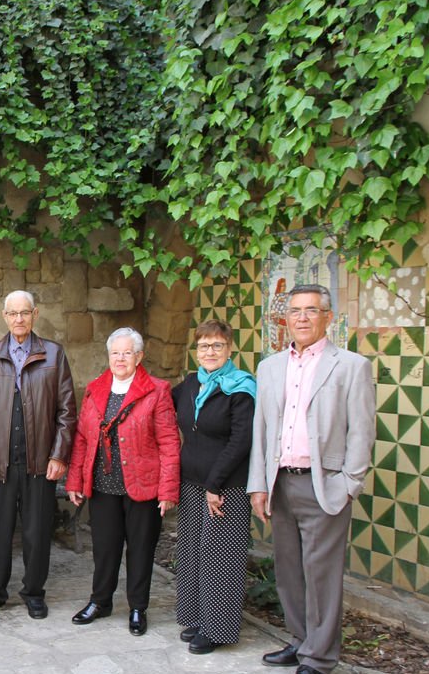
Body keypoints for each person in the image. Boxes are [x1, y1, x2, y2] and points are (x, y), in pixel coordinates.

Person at [247, 284, 374, 674]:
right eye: (295, 311)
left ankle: (319, 658)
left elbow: (362, 432)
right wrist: (258, 485)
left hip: (325, 484)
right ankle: (300, 641)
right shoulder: (270, 367)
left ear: (328, 317)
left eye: (311, 310)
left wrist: (349, 483)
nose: (302, 318)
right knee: (288, 570)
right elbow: (262, 429)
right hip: (281, 482)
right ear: (285, 319)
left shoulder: (351, 366)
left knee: (321, 574)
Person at [66, 328, 179, 636]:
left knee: (141, 550)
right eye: (115, 353)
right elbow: (82, 439)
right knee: (104, 548)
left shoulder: (157, 390)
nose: (120, 358)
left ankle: (138, 607)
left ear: (139, 357)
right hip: (103, 486)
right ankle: (100, 601)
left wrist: (168, 489)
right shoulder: (95, 389)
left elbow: (169, 442)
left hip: (142, 486)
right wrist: (75, 479)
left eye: (127, 353)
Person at [0, 290, 76, 620]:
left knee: (37, 531)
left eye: (25, 313)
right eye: (13, 313)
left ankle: (34, 592)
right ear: (4, 316)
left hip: (39, 462)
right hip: (0, 462)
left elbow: (67, 411)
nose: (19, 319)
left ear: (35, 315)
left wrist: (58, 456)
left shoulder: (54, 354)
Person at [171, 319, 256, 655]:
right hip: (191, 483)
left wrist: (215, 483)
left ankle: (218, 628)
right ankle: (197, 617)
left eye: (217, 345)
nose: (210, 351)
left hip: (225, 488)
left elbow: (240, 442)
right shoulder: (191, 384)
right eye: (204, 345)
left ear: (230, 348)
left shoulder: (240, 388)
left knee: (220, 557)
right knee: (193, 553)